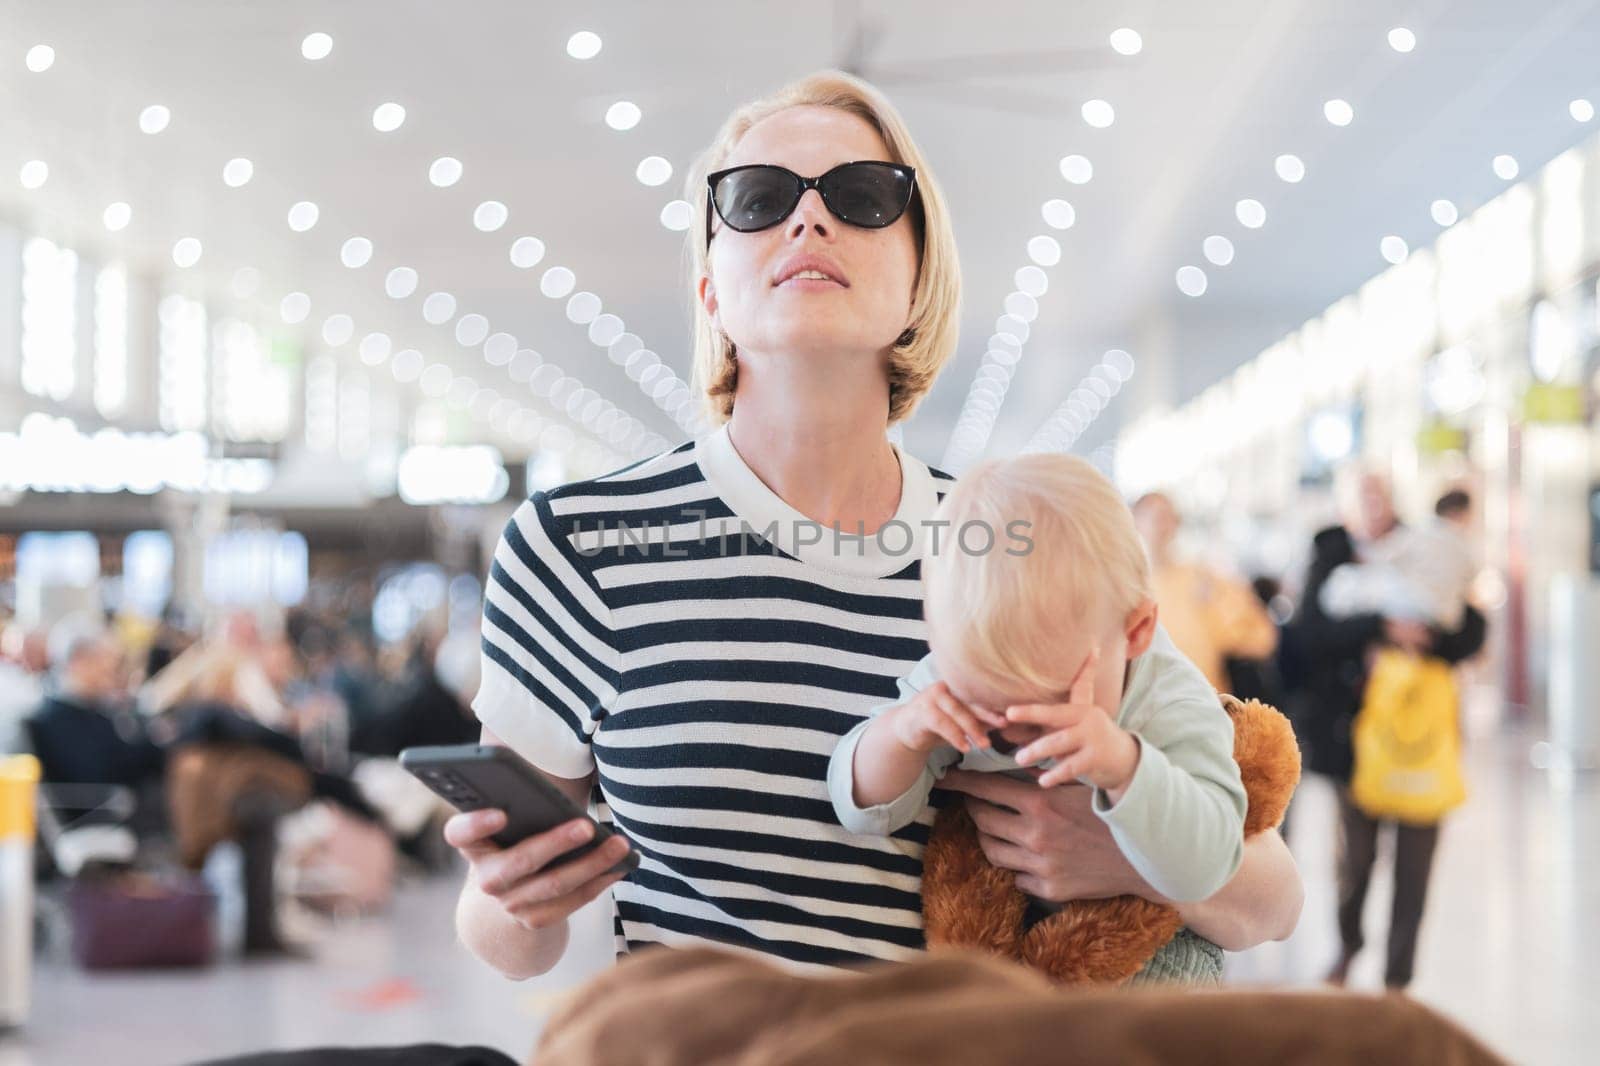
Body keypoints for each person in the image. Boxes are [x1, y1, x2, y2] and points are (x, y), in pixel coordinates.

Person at [448, 70, 1302, 981]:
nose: (807, 223)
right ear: (710, 291)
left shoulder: (1020, 542)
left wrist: (1126, 850)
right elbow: (503, 933)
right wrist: (514, 901)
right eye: (757, 199)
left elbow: (1273, 900)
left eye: (861, 198)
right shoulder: (582, 546)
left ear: (919, 279)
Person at [830, 455, 1247, 981]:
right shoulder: (949, 680)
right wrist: (901, 736)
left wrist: (1126, 767)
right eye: (986, 706)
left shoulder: (1171, 701)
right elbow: (862, 810)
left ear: (1135, 631)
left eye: (1047, 705)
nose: (1013, 736)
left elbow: (1209, 866)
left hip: (1156, 973)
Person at [1281, 471, 1485, 991]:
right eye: (1362, 496)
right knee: (1356, 861)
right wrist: (1379, 627)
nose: (1373, 506)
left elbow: (1471, 626)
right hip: (1355, 741)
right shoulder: (1330, 554)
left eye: (1380, 495)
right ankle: (1348, 947)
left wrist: (1427, 635)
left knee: (1415, 867)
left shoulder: (1425, 548)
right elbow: (1307, 638)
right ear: (1347, 506)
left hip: (1422, 740)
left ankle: (1398, 978)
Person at [1131, 491, 1278, 694]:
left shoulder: (1204, 578)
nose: (1160, 526)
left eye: (1167, 517)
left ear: (1176, 524)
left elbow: (1261, 638)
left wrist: (1216, 610)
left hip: (1206, 699)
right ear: (1135, 523)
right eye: (1154, 517)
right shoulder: (1127, 587)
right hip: (1147, 706)